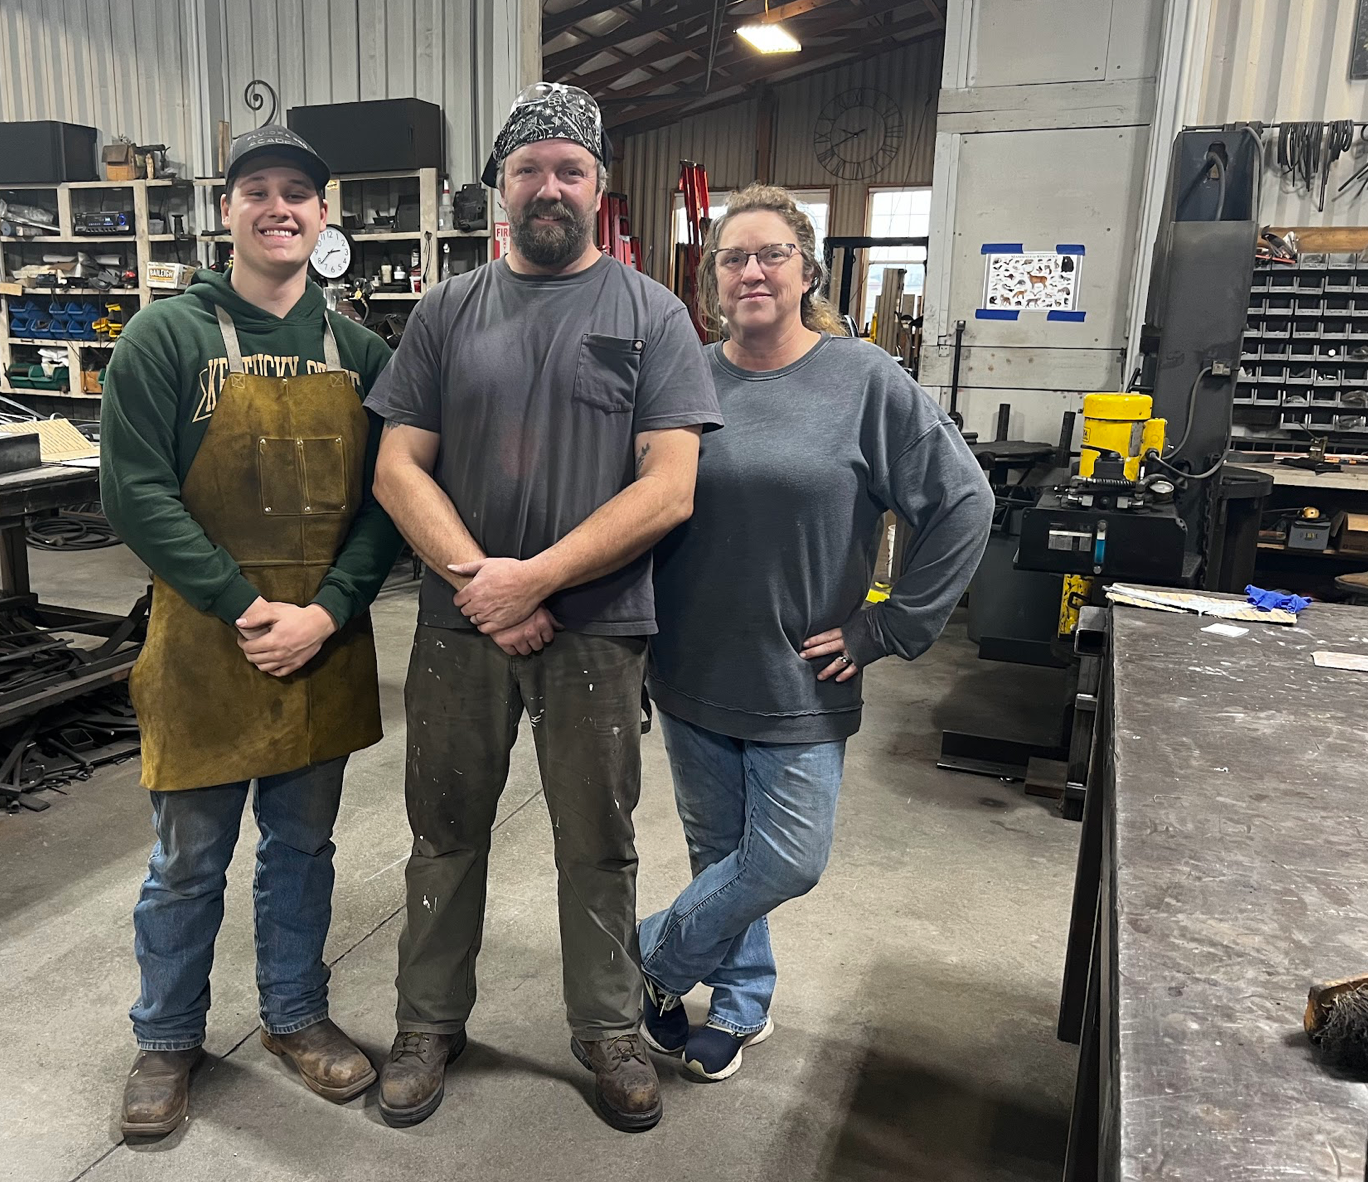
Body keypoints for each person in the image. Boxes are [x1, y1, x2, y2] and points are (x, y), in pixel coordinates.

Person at [364, 83, 723, 1133]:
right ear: (500, 191)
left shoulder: (652, 313)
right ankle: (429, 1021)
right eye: (530, 169)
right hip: (459, 628)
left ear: (599, 188)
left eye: (570, 169)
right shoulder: (445, 313)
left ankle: (607, 1026)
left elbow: (671, 486)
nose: (549, 186)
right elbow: (397, 469)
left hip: (598, 633)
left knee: (598, 840)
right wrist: (487, 582)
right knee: (444, 830)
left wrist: (541, 578)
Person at [639, 183, 992, 1082]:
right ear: (712, 276)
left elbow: (963, 501)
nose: (751, 271)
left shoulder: (864, 379)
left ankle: (645, 958)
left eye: (771, 255)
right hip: (689, 669)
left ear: (806, 271)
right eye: (732, 257)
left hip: (800, 677)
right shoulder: (686, 376)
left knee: (786, 858)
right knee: (722, 857)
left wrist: (892, 625)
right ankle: (743, 1003)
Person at [99, 125, 401, 1137]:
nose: (281, 208)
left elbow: (387, 505)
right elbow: (136, 493)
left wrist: (325, 611)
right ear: (225, 209)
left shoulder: (361, 354)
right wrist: (244, 605)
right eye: (259, 191)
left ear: (324, 217)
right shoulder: (167, 338)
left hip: (321, 646)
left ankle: (294, 1015)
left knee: (302, 850)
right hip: (206, 650)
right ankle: (167, 1035)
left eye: (300, 194)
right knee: (188, 859)